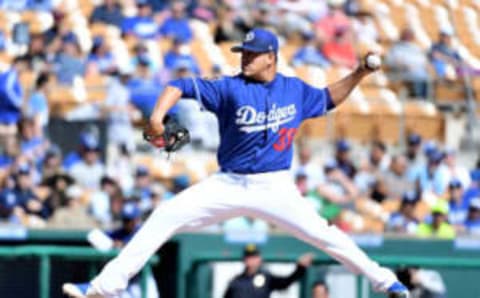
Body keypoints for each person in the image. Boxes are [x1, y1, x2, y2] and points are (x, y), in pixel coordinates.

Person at [63, 28, 409, 298]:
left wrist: (360, 72)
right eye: (244, 52)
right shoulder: (229, 87)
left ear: (271, 57)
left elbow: (327, 98)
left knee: (325, 235)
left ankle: (387, 282)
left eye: (253, 54)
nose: (245, 57)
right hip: (228, 184)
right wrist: (156, 116)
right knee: (165, 215)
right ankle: (102, 288)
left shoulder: (294, 90)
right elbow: (178, 85)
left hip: (274, 186)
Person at [223, 244, 313, 298]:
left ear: (259, 259)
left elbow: (285, 282)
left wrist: (300, 268)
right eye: (248, 257)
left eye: (254, 257)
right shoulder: (236, 282)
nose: (251, 260)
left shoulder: (266, 278)